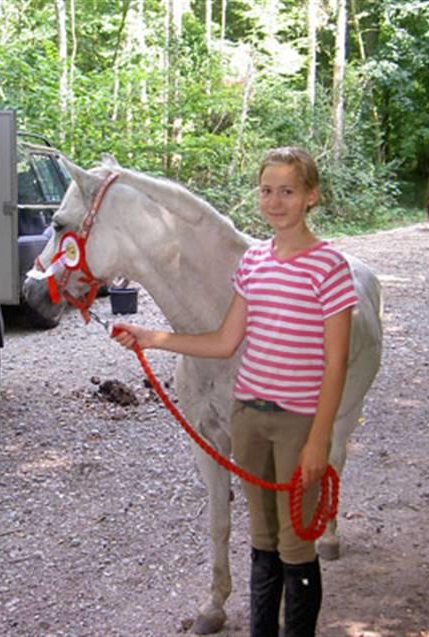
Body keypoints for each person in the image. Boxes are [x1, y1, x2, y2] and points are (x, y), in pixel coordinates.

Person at [112, 147, 357, 637]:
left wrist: (318, 439)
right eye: (267, 190)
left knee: (296, 546)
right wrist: (152, 338)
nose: (275, 201)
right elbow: (224, 341)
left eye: (288, 191)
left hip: (297, 423)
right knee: (263, 541)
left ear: (311, 196)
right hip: (248, 417)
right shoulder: (253, 263)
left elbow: (335, 363)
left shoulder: (330, 268)